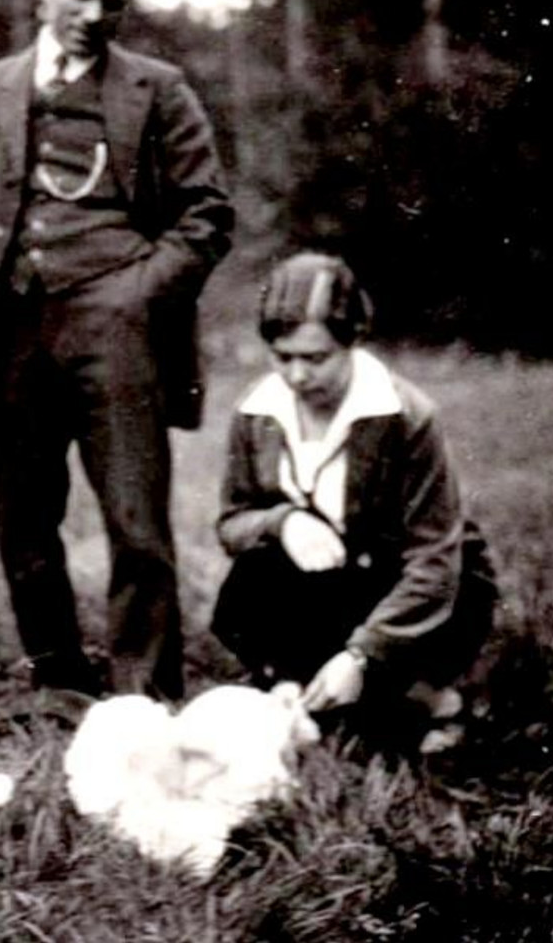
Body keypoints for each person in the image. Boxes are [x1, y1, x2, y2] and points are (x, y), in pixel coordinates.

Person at [0, 0, 234, 702]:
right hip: (14, 332)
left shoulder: (159, 89)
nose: (93, 13)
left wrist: (138, 294)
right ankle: (59, 680)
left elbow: (207, 215)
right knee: (24, 523)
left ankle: (144, 695)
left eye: (113, 1)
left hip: (118, 330)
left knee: (137, 523)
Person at [212, 252, 497, 745]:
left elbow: (435, 561)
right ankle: (312, 686)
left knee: (380, 725)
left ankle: (433, 697)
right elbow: (232, 522)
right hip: (332, 585)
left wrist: (362, 655)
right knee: (248, 589)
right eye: (283, 357)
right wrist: (284, 521)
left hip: (415, 589)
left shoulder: (406, 416)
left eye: (316, 358)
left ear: (352, 342)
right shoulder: (256, 412)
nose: (298, 377)